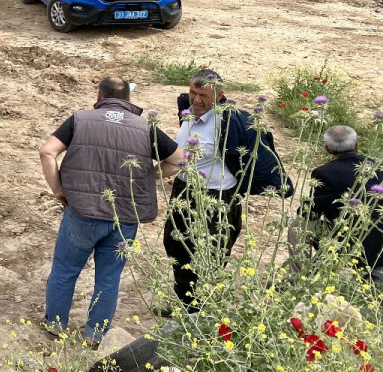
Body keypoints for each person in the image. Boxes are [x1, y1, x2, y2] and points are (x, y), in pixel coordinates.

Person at [38, 77, 185, 345]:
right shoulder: (146, 128)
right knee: (109, 277)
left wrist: (59, 190)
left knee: (65, 269)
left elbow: (47, 152)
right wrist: (149, 176)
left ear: (99, 95)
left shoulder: (80, 120)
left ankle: (55, 326)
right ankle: (96, 335)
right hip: (125, 217)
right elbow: (180, 160)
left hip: (82, 213)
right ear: (129, 99)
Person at [161, 68, 287, 313]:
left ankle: (202, 306)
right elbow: (180, 159)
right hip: (185, 189)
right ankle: (185, 301)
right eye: (193, 93)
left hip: (217, 196)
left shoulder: (228, 123)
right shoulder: (187, 115)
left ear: (219, 96)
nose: (196, 100)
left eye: (203, 96)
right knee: (176, 244)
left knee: (212, 249)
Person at [291, 126, 382, 280]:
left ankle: (299, 279)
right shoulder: (378, 168)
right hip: (378, 246)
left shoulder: (325, 173)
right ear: (357, 145)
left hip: (348, 244)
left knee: (298, 225)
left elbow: (308, 211)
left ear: (327, 148)